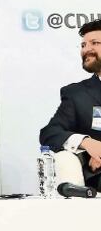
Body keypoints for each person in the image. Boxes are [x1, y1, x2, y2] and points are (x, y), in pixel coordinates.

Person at [40, 19, 101, 188]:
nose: (86, 49)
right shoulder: (77, 94)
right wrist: (88, 143)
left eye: (94, 43)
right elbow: (50, 133)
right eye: (83, 45)